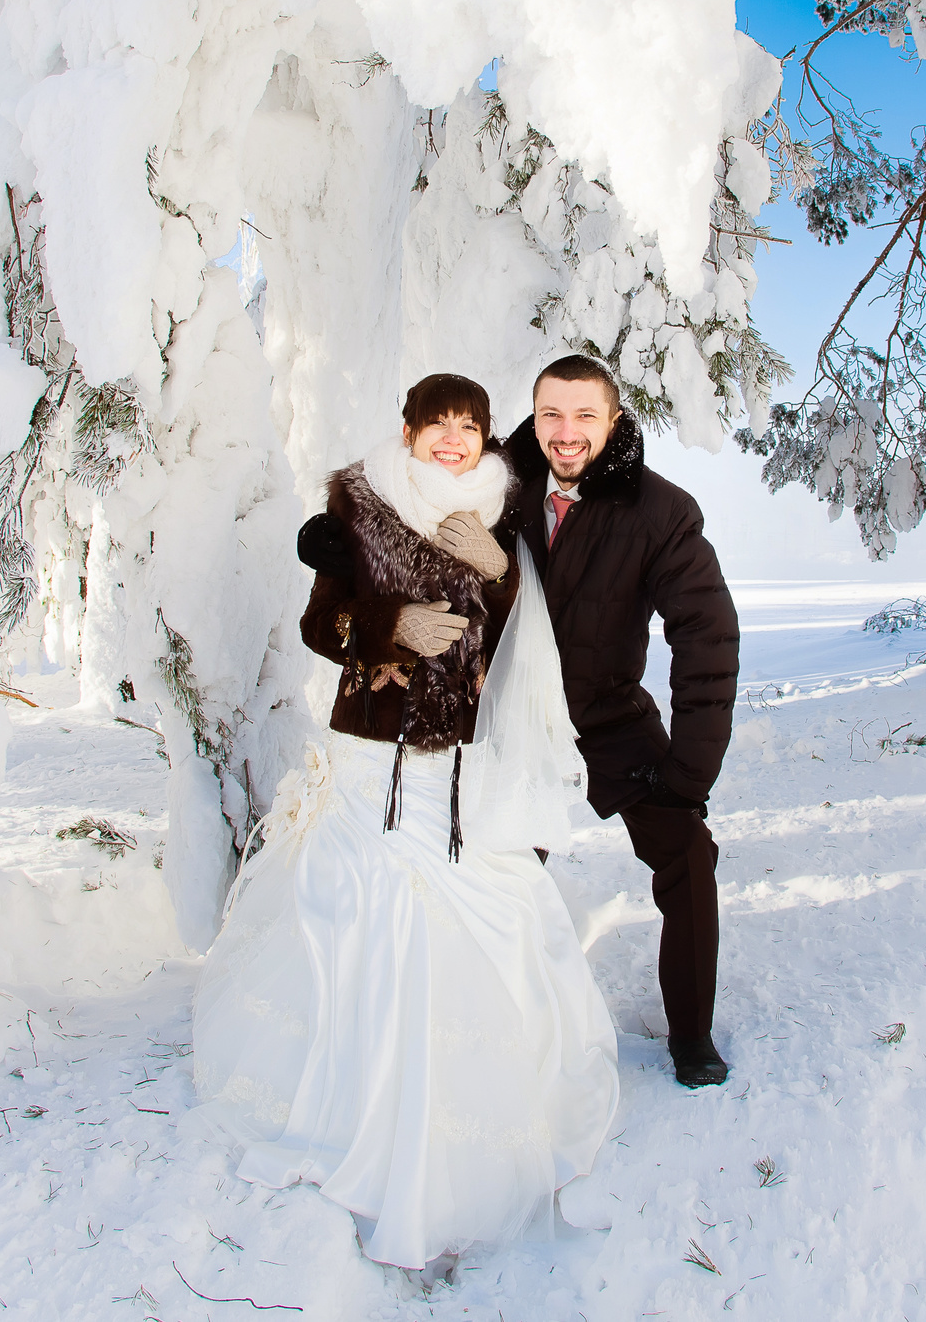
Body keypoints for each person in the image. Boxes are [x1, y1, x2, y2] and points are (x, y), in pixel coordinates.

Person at [191, 373, 619, 1272]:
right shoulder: (359, 508)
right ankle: (346, 1111)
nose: (456, 441)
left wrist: (501, 577)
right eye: (440, 426)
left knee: (473, 914)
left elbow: (523, 643)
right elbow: (321, 622)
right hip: (368, 759)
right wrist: (390, 623)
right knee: (356, 912)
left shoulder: (502, 514)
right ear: (410, 431)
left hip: (457, 767)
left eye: (471, 427)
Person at [501, 354, 740, 1089]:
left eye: (583, 415)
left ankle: (691, 1033)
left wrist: (689, 771)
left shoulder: (659, 510)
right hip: (520, 720)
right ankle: (497, 1020)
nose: (565, 432)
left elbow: (707, 633)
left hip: (610, 714)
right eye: (551, 414)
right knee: (496, 871)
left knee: (688, 854)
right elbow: (408, 504)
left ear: (613, 419)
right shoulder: (496, 489)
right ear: (534, 416)